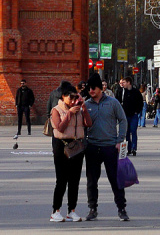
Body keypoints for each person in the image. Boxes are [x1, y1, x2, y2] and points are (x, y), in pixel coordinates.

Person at [83, 75, 129, 221]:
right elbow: (82, 125)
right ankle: (92, 208)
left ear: (101, 88)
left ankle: (121, 208)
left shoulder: (113, 103)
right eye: (89, 88)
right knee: (91, 180)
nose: (91, 91)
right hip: (92, 147)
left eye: (93, 88)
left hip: (110, 146)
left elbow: (123, 120)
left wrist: (120, 139)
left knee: (115, 179)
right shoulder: (86, 104)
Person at [50, 80, 91, 222]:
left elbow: (89, 124)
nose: (73, 100)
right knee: (61, 179)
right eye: (70, 97)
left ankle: (71, 210)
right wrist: (69, 114)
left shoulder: (79, 109)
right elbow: (59, 127)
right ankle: (55, 211)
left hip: (77, 145)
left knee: (75, 180)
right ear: (63, 96)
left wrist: (84, 109)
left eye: (76, 97)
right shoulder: (56, 110)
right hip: (61, 145)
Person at [118, 77, 143, 156]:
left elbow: (140, 102)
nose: (123, 84)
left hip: (133, 115)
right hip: (125, 115)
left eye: (124, 82)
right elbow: (118, 102)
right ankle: (128, 149)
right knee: (127, 132)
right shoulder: (122, 92)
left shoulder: (135, 92)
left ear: (129, 82)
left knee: (133, 131)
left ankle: (134, 148)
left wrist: (137, 111)